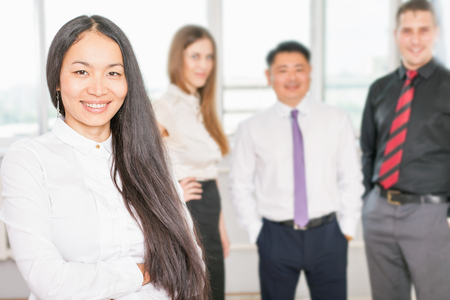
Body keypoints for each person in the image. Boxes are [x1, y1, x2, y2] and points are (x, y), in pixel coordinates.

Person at [0, 15, 208, 300]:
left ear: (127, 81)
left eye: (113, 73)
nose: (98, 89)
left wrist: (97, 284)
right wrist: (144, 271)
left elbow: (190, 264)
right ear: (57, 80)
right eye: (81, 72)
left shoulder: (151, 156)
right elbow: (49, 282)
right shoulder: (27, 160)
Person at [229, 41, 364, 300]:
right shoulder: (251, 127)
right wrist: (257, 233)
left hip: (328, 236)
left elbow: (351, 178)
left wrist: (346, 229)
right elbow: (240, 185)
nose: (292, 77)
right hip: (275, 236)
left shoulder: (336, 119)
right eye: (282, 70)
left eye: (299, 69)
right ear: (269, 76)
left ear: (310, 73)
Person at [361, 1, 450, 299]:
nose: (415, 39)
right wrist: (367, 202)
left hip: (431, 214)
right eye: (407, 30)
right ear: (396, 34)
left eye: (423, 30)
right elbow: (368, 151)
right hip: (379, 212)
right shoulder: (379, 89)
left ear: (436, 33)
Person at [152, 25, 230, 300]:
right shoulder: (166, 105)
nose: (204, 65)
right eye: (195, 56)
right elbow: (138, 160)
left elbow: (210, 170)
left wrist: (221, 228)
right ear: (178, 58)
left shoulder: (202, 106)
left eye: (209, 57)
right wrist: (174, 194)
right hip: (188, 212)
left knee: (215, 290)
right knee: (193, 292)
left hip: (210, 208)